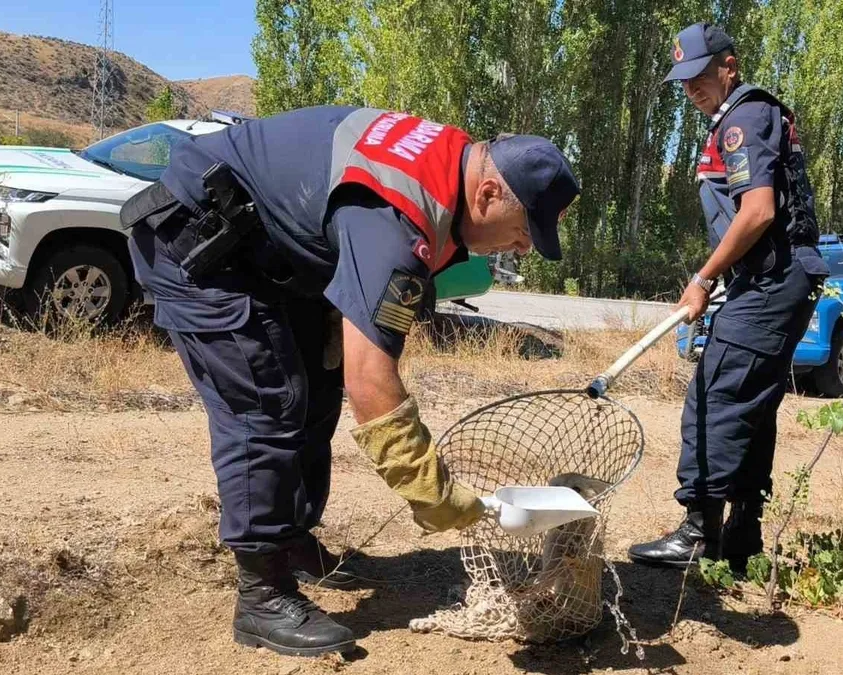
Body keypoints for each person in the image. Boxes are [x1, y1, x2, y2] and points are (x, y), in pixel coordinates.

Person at [121, 105, 580, 658]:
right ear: (486, 196)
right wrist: (430, 489)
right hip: (198, 245)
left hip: (267, 252)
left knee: (319, 380)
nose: (524, 248)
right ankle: (262, 593)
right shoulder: (401, 214)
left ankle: (291, 541)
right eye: (524, 231)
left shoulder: (453, 166)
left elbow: (358, 353)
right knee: (266, 404)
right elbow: (373, 385)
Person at [627, 23, 829, 572]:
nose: (691, 88)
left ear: (729, 66)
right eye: (683, 80)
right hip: (772, 277)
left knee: (715, 394)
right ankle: (742, 537)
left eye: (699, 75)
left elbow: (758, 210)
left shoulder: (742, 117)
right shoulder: (745, 116)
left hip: (772, 280)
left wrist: (702, 276)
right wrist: (724, 274)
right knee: (751, 403)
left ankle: (699, 532)